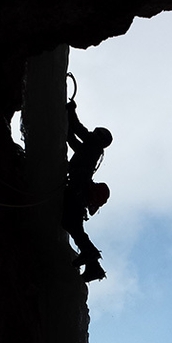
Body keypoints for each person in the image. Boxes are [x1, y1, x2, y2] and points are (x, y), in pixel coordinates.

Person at [62, 99, 112, 282]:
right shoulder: (91, 149)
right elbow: (72, 140)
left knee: (71, 224)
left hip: (77, 189)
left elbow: (77, 129)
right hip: (79, 190)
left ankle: (92, 259)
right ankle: (93, 266)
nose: (91, 133)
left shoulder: (92, 143)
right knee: (72, 224)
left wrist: (71, 110)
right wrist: (66, 124)